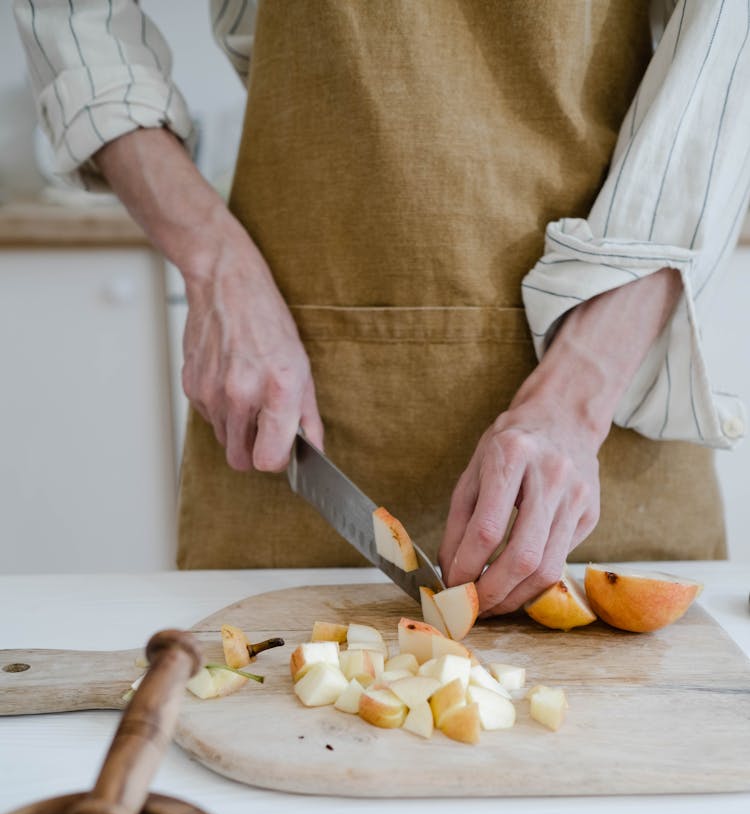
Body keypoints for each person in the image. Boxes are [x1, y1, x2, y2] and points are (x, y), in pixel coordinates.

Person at [15, 1, 749, 615]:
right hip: (295, 406)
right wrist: (212, 259)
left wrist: (581, 391)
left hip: (611, 406)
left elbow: (729, 54)